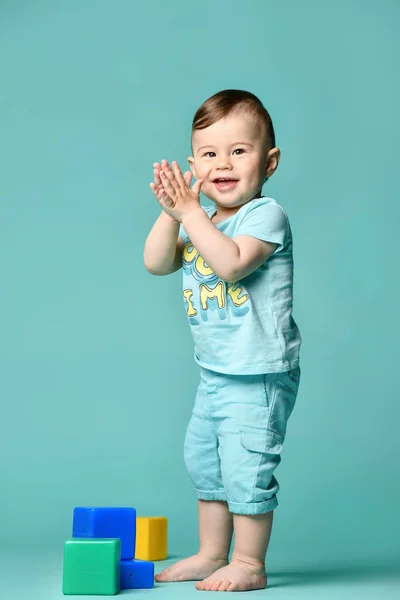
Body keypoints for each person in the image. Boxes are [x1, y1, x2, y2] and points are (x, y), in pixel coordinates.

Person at [143, 89, 302, 592]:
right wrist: (173, 212)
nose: (223, 164)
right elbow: (157, 262)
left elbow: (232, 264)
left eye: (239, 151)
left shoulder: (264, 216)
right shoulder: (201, 220)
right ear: (194, 165)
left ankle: (249, 563)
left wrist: (191, 214)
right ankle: (212, 553)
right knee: (205, 461)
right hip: (214, 371)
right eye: (210, 154)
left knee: (246, 466)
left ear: (269, 161)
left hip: (258, 373)